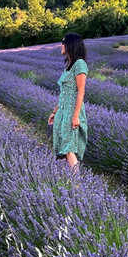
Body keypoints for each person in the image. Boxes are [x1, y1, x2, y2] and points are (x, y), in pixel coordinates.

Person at [48, 32, 88, 169]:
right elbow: (64, 94)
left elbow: (80, 91)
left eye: (63, 42)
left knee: (68, 147)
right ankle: (68, 180)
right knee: (61, 146)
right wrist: (54, 112)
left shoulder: (80, 64)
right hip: (62, 112)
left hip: (72, 111)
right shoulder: (69, 66)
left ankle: (77, 183)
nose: (61, 45)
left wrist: (76, 116)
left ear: (70, 45)